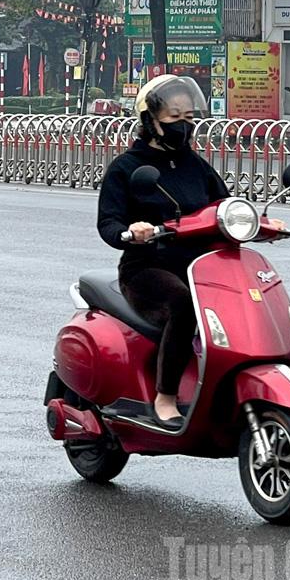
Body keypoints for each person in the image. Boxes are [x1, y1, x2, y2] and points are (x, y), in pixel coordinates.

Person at [96, 74, 236, 429]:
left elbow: (223, 206)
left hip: (201, 266)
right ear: (150, 120)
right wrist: (132, 232)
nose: (183, 125)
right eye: (174, 117)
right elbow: (108, 223)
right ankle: (166, 397)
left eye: (188, 117)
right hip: (147, 267)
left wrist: (260, 222)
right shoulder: (127, 168)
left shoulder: (196, 165)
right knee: (183, 305)